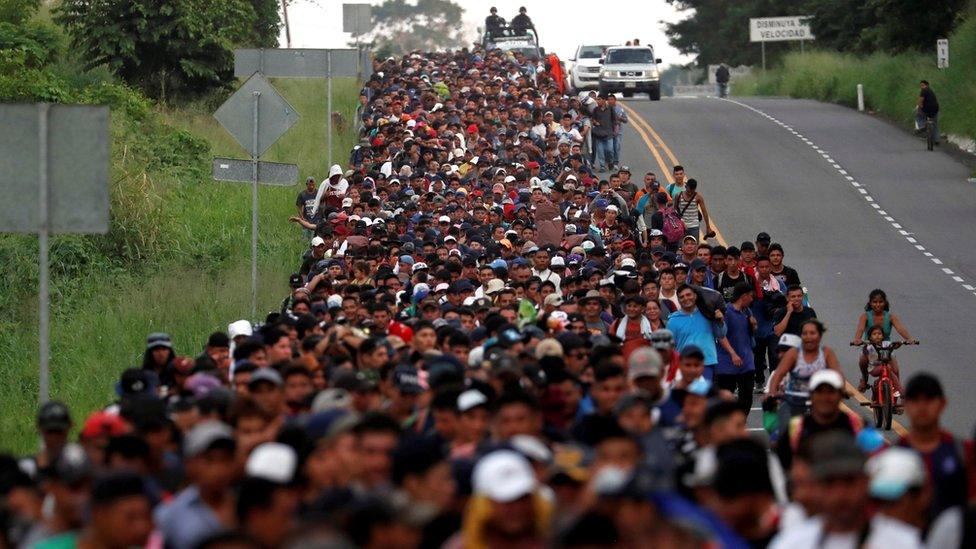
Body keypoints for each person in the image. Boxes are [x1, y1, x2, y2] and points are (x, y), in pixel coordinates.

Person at [767, 319, 842, 417]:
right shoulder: (793, 353)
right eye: (805, 333)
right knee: (785, 429)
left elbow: (838, 375)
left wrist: (841, 390)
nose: (808, 337)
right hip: (793, 402)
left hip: (819, 402)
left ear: (820, 336)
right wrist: (772, 393)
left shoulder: (826, 353)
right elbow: (778, 375)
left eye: (812, 333)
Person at [915, 80, 939, 144]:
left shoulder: (923, 91)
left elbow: (920, 101)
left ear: (927, 85)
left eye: (922, 85)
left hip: (927, 109)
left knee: (918, 115)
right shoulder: (931, 91)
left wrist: (919, 107)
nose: (921, 87)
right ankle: (936, 140)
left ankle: (922, 127)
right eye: (920, 86)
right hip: (935, 108)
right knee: (935, 123)